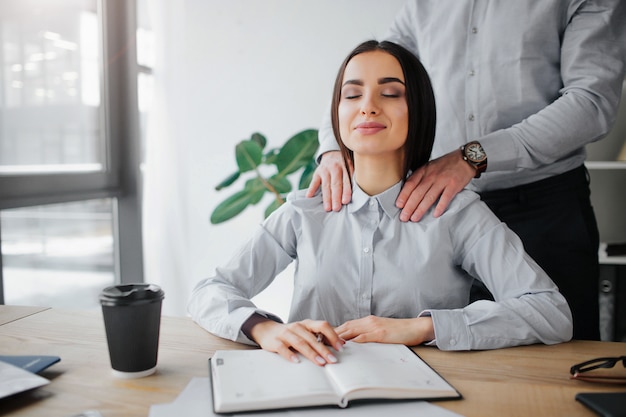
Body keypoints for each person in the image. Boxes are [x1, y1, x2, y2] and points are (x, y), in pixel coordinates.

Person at [188, 40, 572, 366]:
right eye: (352, 95)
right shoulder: (303, 212)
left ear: (418, 110)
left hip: (426, 392)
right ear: (337, 115)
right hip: (313, 390)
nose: (367, 107)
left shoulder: (456, 213)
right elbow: (210, 291)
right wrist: (264, 328)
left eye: (390, 93)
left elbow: (550, 312)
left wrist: (422, 328)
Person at [308, 1, 626, 341]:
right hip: (434, 209)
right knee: (441, 355)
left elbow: (591, 103)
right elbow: (373, 71)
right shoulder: (423, 5)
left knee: (559, 361)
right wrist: (332, 149)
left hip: (543, 209)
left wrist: (471, 157)